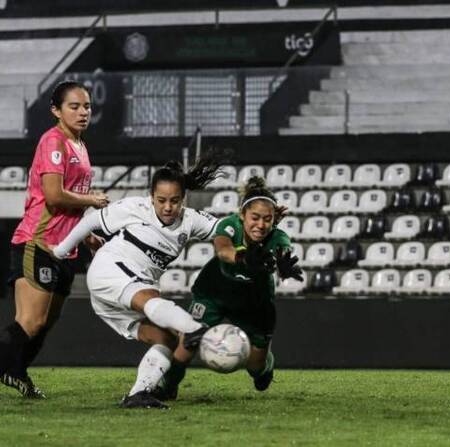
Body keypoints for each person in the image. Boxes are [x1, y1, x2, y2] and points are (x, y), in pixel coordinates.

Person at [0, 81, 109, 404]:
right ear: (56, 110)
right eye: (74, 106)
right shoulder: (53, 141)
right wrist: (92, 201)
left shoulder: (80, 146)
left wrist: (87, 236)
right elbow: (55, 196)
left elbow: (69, 208)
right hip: (37, 242)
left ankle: (16, 371)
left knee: (45, 321)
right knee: (30, 320)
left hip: (65, 248)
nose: (83, 112)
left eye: (86, 106)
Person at [53, 158, 237, 409]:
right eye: (161, 200)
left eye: (174, 200)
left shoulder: (192, 219)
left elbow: (228, 229)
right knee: (152, 299)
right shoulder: (135, 207)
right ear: (151, 196)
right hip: (111, 270)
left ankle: (138, 394)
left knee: (167, 340)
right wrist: (62, 250)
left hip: (119, 296)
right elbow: (90, 221)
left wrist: (265, 236)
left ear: (183, 198)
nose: (168, 207)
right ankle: (193, 327)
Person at [153, 176, 303, 401]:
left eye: (267, 219)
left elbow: (282, 256)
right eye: (254, 218)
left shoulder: (278, 237)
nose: (260, 225)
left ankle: (266, 365)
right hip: (215, 291)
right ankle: (168, 386)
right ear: (242, 215)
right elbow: (223, 250)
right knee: (190, 340)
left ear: (274, 220)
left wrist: (282, 265)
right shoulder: (229, 225)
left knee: (256, 370)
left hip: (255, 302)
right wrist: (244, 258)